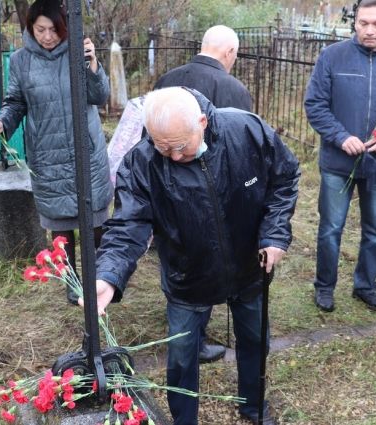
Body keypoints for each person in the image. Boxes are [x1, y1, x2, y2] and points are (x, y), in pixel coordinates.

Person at [92, 87, 300, 425]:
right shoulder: (143, 162)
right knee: (183, 357)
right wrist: (109, 275)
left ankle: (253, 405)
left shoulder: (246, 131)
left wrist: (275, 234)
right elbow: (129, 224)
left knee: (254, 340)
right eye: (162, 147)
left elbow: (285, 179)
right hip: (187, 276)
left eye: (179, 146)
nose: (172, 157)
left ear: (201, 122)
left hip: (249, 266)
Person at [0, 0, 112, 305]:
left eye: (54, 29)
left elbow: (100, 95)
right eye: (40, 29)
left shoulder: (79, 51)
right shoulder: (20, 61)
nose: (48, 36)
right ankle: (72, 284)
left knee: (94, 224)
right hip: (47, 155)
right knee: (60, 227)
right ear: (30, 28)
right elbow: (15, 102)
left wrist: (93, 64)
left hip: (86, 153)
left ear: (64, 27)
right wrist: (2, 123)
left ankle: (101, 284)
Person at [304, 0, 376, 313]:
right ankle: (325, 287)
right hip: (338, 163)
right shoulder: (332, 56)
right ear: (355, 23)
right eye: (363, 23)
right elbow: (315, 104)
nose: (369, 30)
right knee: (330, 229)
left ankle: (366, 286)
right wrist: (341, 137)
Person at [153, 25, 253, 364]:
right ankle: (192, 339)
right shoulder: (235, 90)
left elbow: (148, 136)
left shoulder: (167, 78)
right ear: (229, 53)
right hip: (214, 194)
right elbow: (243, 148)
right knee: (210, 258)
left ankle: (186, 331)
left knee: (180, 258)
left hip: (169, 190)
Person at [154, 25, 252, 111]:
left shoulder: (165, 80)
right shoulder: (236, 90)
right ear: (229, 52)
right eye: (235, 55)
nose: (234, 59)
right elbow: (238, 131)